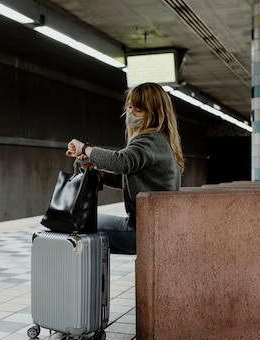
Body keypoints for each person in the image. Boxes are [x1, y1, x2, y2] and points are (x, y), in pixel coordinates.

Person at [65, 82, 185, 254]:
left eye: (139, 110)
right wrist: (99, 173)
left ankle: (81, 279)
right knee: (86, 228)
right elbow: (133, 178)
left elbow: (122, 162)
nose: (131, 113)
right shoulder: (161, 140)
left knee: (75, 222)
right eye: (129, 107)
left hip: (144, 232)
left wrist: (85, 148)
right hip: (157, 229)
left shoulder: (150, 140)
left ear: (155, 114)